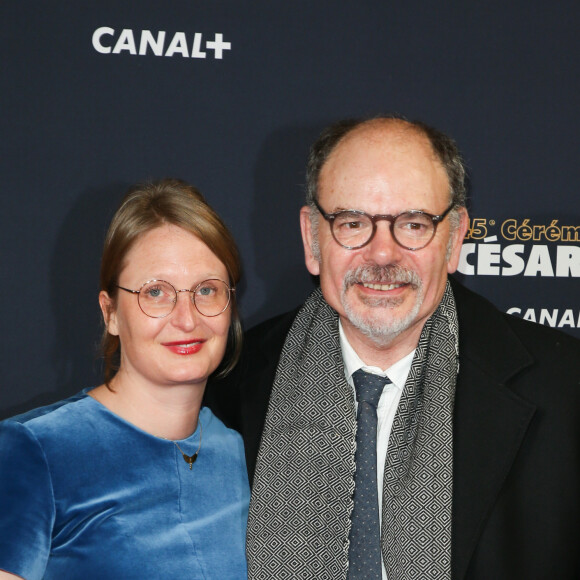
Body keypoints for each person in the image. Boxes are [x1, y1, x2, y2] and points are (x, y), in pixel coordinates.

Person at [206, 117, 580, 579]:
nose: (382, 254)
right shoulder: (227, 387)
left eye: (414, 223)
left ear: (455, 237)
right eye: (352, 222)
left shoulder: (566, 390)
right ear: (312, 239)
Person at [0, 179, 250, 579]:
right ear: (110, 312)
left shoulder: (243, 451)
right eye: (155, 292)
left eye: (206, 289)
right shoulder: (32, 452)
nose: (187, 318)